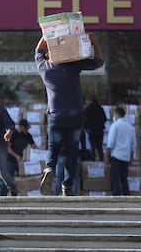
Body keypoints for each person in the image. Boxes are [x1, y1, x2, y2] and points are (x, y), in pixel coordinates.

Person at [35, 33, 104, 196]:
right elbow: (99, 62)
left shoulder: (44, 67)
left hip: (56, 114)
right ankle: (67, 184)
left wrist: (47, 36)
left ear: (47, 55)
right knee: (72, 149)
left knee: (54, 145)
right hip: (76, 114)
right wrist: (95, 43)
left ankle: (50, 167)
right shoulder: (72, 65)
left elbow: (38, 49)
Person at [0, 118, 39, 196]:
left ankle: (19, 195)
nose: (28, 129)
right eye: (26, 127)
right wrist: (16, 156)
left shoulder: (28, 135)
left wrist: (42, 153)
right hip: (11, 160)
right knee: (7, 178)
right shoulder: (14, 134)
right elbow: (8, 148)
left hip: (21, 162)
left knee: (21, 179)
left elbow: (34, 146)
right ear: (21, 127)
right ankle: (2, 195)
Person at [104, 107, 136, 196]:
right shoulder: (130, 127)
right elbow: (133, 144)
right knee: (124, 178)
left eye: (114, 114)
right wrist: (131, 156)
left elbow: (111, 142)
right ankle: (126, 195)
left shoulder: (115, 126)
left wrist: (107, 155)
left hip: (116, 155)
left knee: (115, 177)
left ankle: (116, 195)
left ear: (117, 114)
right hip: (126, 156)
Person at [84, 96, 107, 161]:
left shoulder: (87, 109)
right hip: (99, 130)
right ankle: (101, 158)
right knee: (99, 146)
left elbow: (83, 120)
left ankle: (93, 158)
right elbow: (104, 119)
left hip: (91, 129)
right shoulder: (100, 109)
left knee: (92, 145)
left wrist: (86, 127)